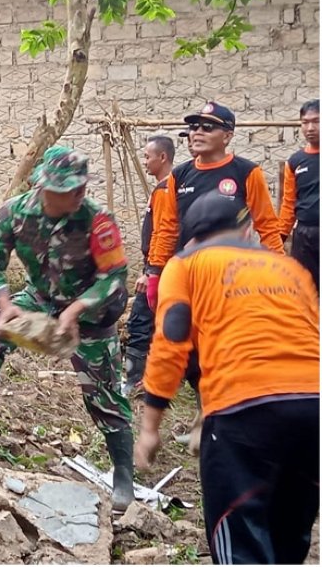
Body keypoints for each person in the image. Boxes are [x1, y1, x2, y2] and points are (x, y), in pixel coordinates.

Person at [0, 146, 135, 511]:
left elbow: (114, 277)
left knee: (105, 396)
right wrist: (3, 302)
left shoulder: (98, 220)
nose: (79, 195)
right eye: (69, 189)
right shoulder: (15, 212)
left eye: (81, 188)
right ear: (44, 186)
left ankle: (123, 477)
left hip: (91, 315)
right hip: (40, 299)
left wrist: (77, 309)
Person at [135, 191, 319, 564]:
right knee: (288, 538)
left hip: (243, 412)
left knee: (240, 542)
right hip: (313, 407)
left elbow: (171, 342)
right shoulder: (291, 269)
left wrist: (150, 427)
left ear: (192, 238)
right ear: (248, 229)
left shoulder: (185, 265)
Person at [145, 102, 284, 312]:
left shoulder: (247, 172)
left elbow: (267, 226)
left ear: (227, 137)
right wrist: (154, 272)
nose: (198, 133)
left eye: (208, 127)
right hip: (189, 275)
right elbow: (166, 228)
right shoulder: (179, 176)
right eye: (194, 127)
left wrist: (280, 270)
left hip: (233, 278)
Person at [122, 135, 174, 396]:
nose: (145, 162)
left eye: (147, 157)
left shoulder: (166, 190)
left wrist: (151, 271)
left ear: (162, 158)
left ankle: (135, 381)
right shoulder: (164, 188)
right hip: (158, 266)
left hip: (158, 268)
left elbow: (163, 232)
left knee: (140, 322)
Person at [279, 98, 319, 291]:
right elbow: (289, 203)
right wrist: (280, 237)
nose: (310, 128)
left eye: (316, 121)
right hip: (304, 235)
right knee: (304, 291)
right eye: (305, 122)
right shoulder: (295, 162)